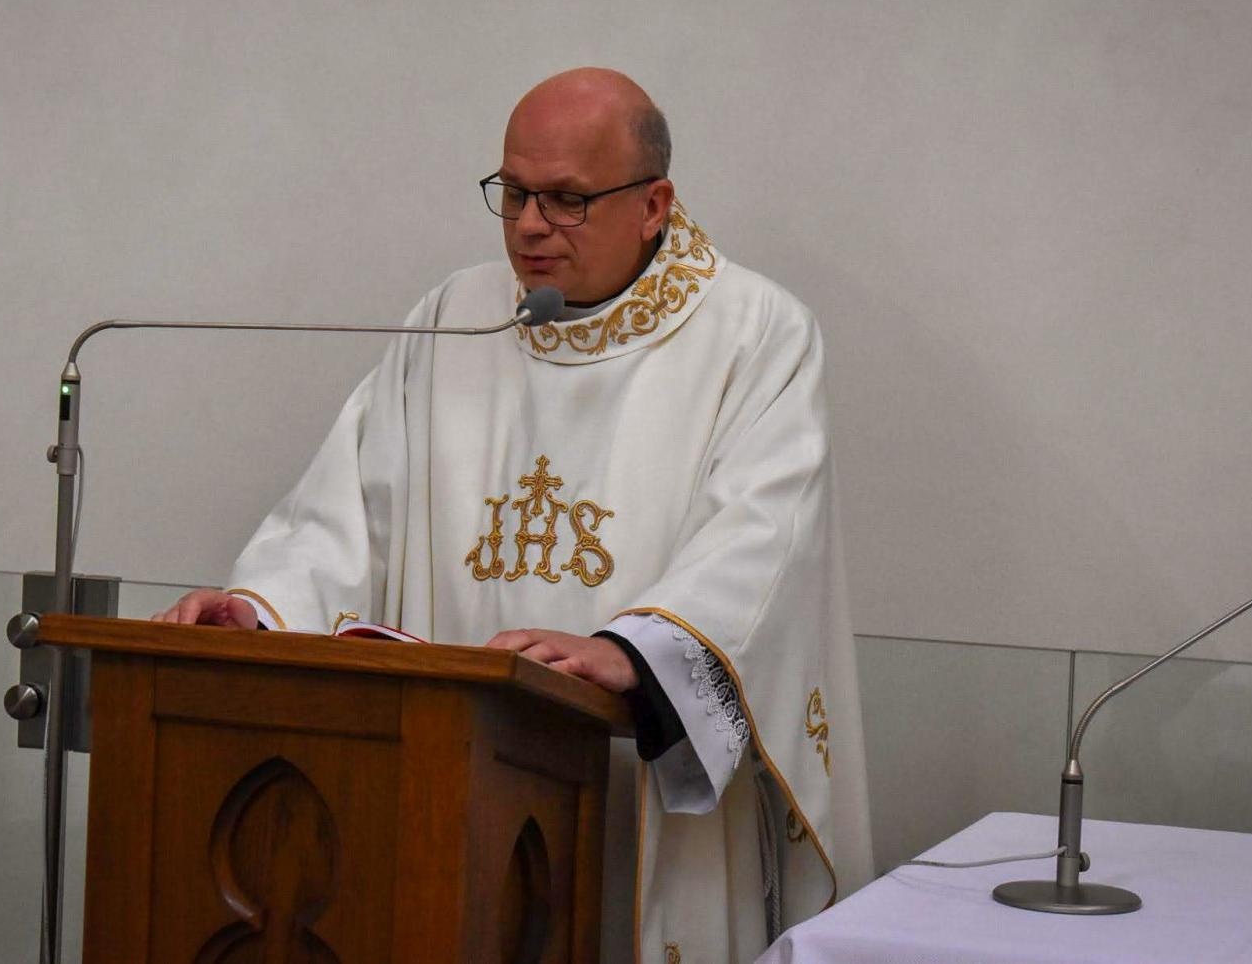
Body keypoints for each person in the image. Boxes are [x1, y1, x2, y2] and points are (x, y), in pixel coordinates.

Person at [154, 67, 873, 961]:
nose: (530, 225)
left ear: (655, 204)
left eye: (568, 200)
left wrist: (638, 651)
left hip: (632, 798)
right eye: (515, 193)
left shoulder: (755, 333)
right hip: (446, 794)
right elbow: (344, 510)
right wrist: (261, 608)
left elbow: (766, 539)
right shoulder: (459, 314)